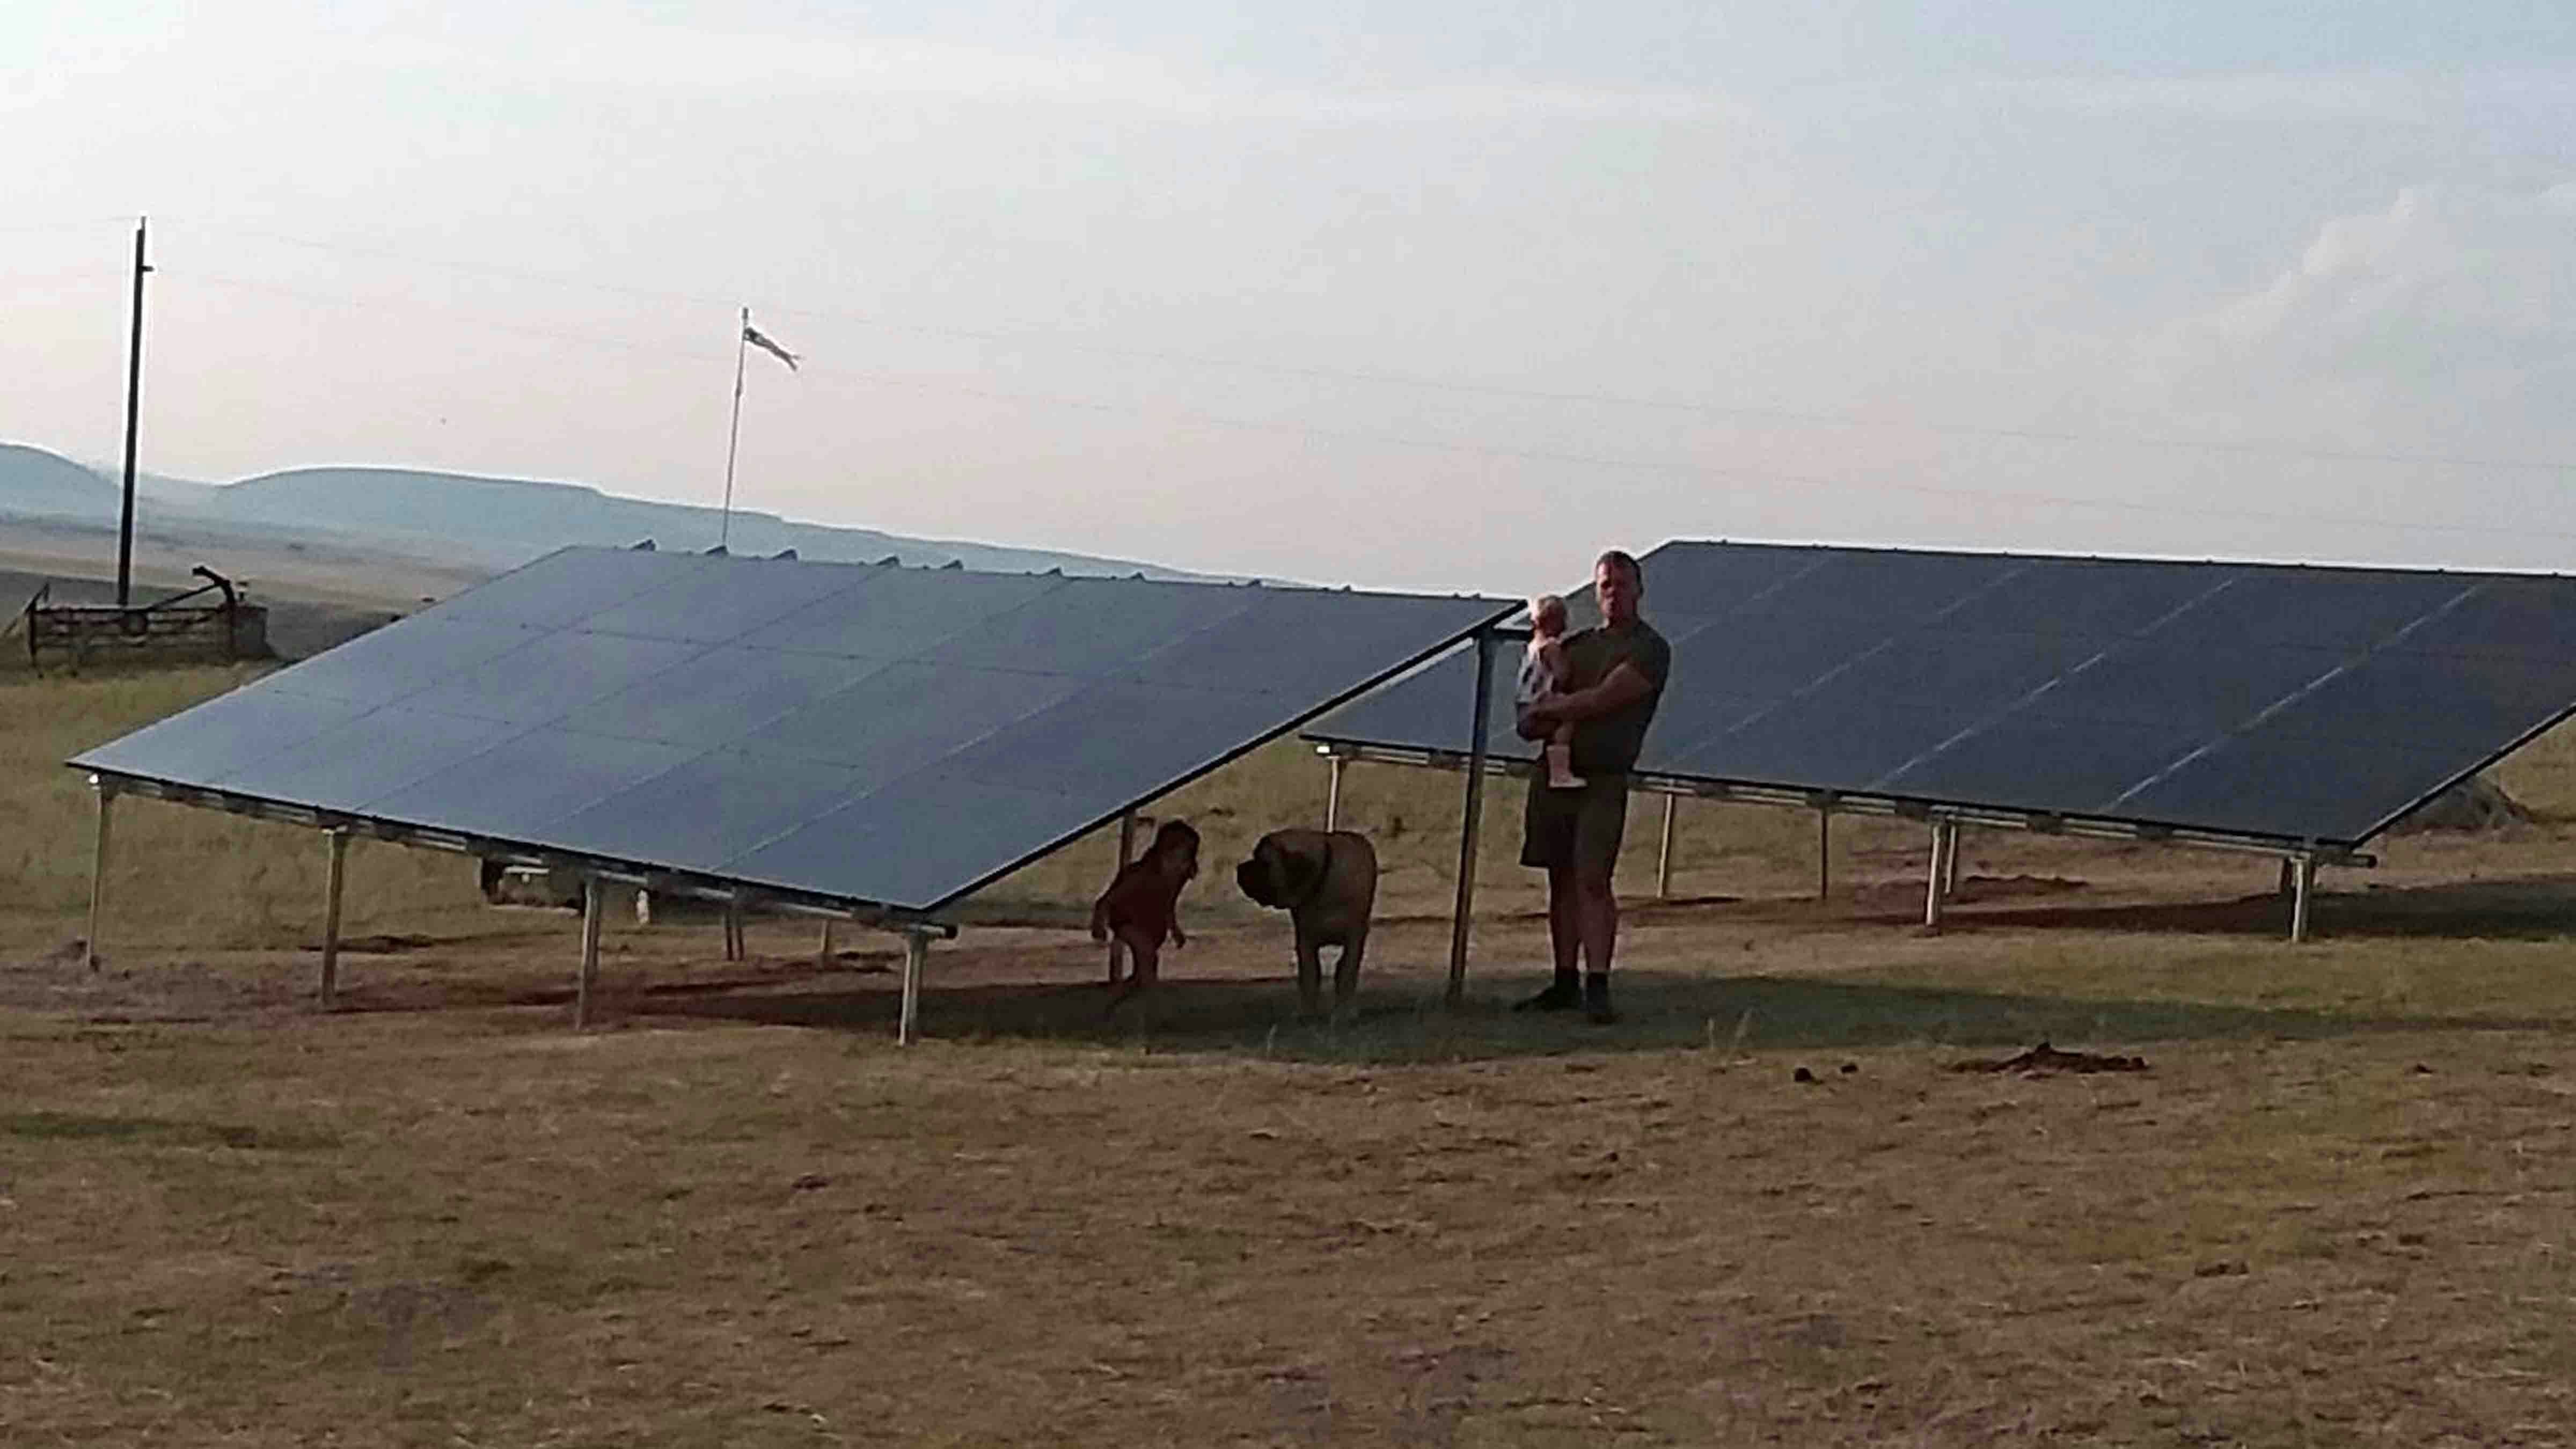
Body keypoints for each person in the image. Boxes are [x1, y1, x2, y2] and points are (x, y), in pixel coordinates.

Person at [1511, 550, 1671, 1024]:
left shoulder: (1649, 648)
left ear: (1638, 590)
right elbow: (1527, 714)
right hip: (1555, 777)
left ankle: (1597, 983)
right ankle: (1564, 980)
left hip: (1602, 777)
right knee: (1560, 879)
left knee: (1592, 879)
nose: (1613, 594)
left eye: (1622, 584)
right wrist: (1545, 711)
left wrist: (1555, 710)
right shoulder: (1574, 646)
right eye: (1605, 586)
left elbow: (1606, 699)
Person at [1092, 819, 1200, 1012]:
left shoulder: (1178, 877)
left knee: (1146, 961)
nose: (1178, 867)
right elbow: (1107, 901)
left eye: (1183, 861)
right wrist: (1099, 923)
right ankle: (1149, 999)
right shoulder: (1139, 875)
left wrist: (1173, 927)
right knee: (1147, 954)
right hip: (1126, 918)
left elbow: (1169, 903)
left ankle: (1125, 995)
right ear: (1160, 855)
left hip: (1152, 921)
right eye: (1172, 860)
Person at [1518, 594, 1584, 790]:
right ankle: (1560, 773)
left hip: (1525, 708)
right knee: (1566, 720)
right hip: (1539, 705)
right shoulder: (1551, 648)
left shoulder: (1532, 647)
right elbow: (1563, 675)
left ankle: (1555, 767)